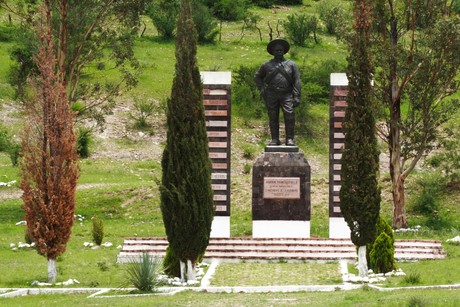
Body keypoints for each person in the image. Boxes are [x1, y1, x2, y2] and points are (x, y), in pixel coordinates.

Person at [254, 38, 301, 146]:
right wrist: (262, 89)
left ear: (284, 51)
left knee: (289, 115)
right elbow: (257, 77)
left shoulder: (292, 65)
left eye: (281, 50)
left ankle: (289, 139)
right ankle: (275, 139)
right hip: (272, 94)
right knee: (273, 116)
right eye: (277, 50)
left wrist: (296, 96)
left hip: (287, 94)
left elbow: (297, 80)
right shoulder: (266, 65)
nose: (279, 52)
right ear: (273, 52)